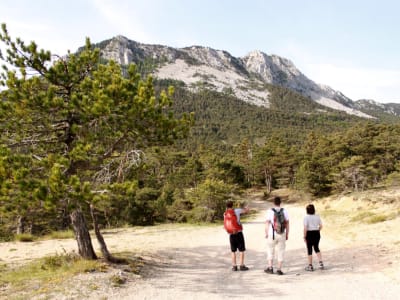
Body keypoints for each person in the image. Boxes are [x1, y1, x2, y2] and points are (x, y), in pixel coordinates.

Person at [264, 196, 289, 275]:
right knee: (281, 251)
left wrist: (266, 233)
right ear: (280, 202)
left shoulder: (270, 211)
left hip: (272, 234)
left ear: (273, 203)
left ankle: (270, 268)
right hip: (282, 233)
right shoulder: (284, 211)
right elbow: (287, 223)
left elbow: (267, 223)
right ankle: (279, 269)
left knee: (270, 250)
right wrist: (287, 234)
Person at [225, 200, 250, 271]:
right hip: (238, 232)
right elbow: (246, 211)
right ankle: (242, 265)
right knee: (241, 250)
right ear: (232, 205)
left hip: (231, 234)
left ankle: (234, 266)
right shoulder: (237, 211)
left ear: (226, 206)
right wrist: (247, 207)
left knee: (233, 251)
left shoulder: (225, 213)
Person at [303, 204, 324, 271]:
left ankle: (310, 266)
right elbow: (321, 226)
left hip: (309, 233)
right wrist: (317, 230)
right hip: (316, 233)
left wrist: (304, 236)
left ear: (307, 210)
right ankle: (321, 263)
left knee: (309, 249)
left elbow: (305, 228)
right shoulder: (317, 216)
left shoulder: (306, 217)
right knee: (316, 247)